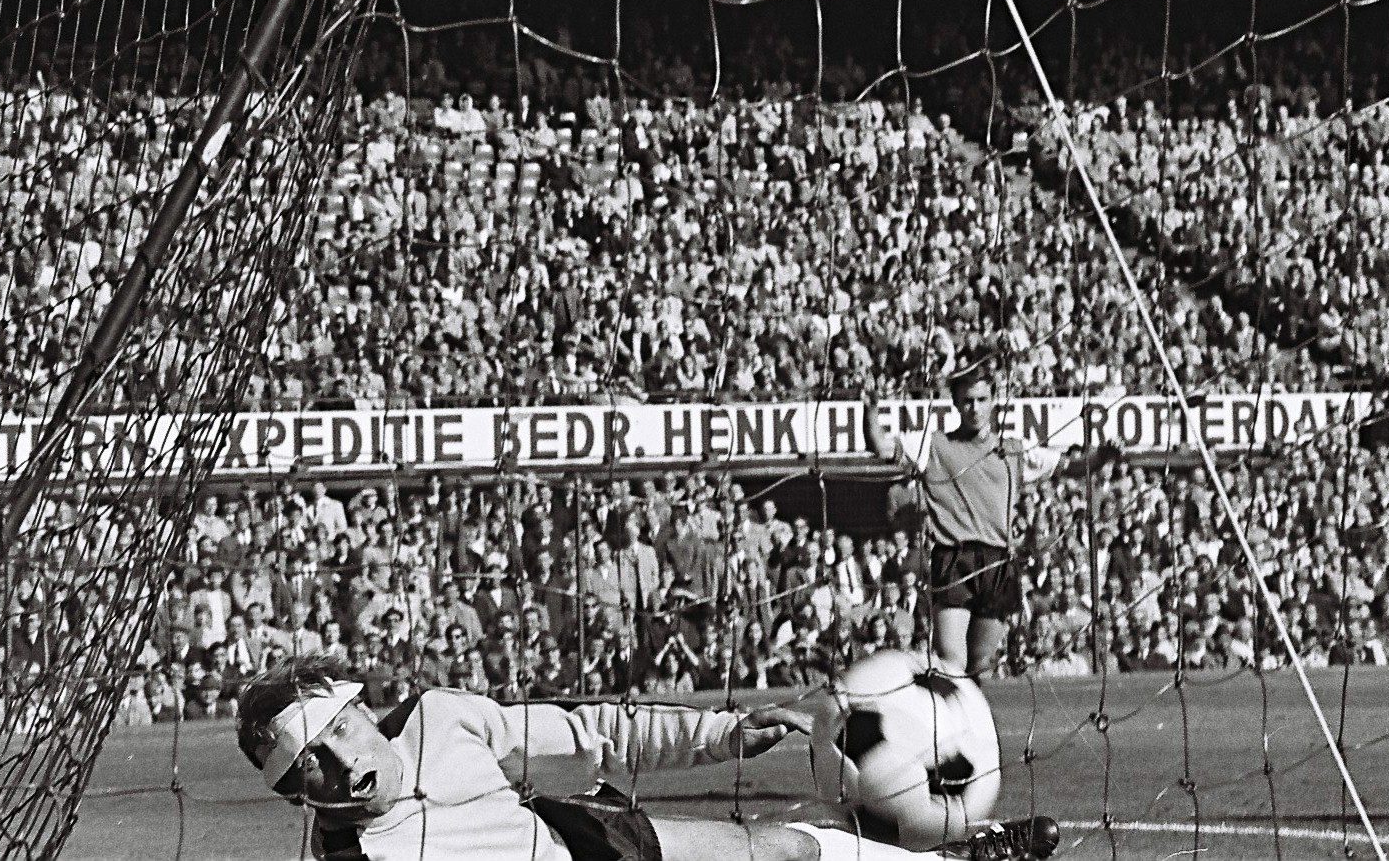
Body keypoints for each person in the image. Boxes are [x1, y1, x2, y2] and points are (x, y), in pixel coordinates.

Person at [237, 655, 1057, 861]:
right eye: (307, 767)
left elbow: (601, 731)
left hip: (587, 849)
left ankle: (954, 857)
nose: (339, 766)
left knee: (781, 846)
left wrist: (722, 735)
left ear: (355, 706)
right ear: (294, 799)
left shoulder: (443, 719)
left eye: (335, 731)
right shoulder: (352, 855)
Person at [864, 367, 1061, 676]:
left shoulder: (1012, 449)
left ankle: (972, 723)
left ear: (993, 400)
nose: (975, 408)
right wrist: (872, 409)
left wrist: (1103, 457)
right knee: (952, 661)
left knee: (981, 665)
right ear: (955, 403)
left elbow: (1066, 465)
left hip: (997, 561)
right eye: (967, 400)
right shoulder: (934, 445)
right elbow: (880, 446)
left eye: (982, 399)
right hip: (954, 558)